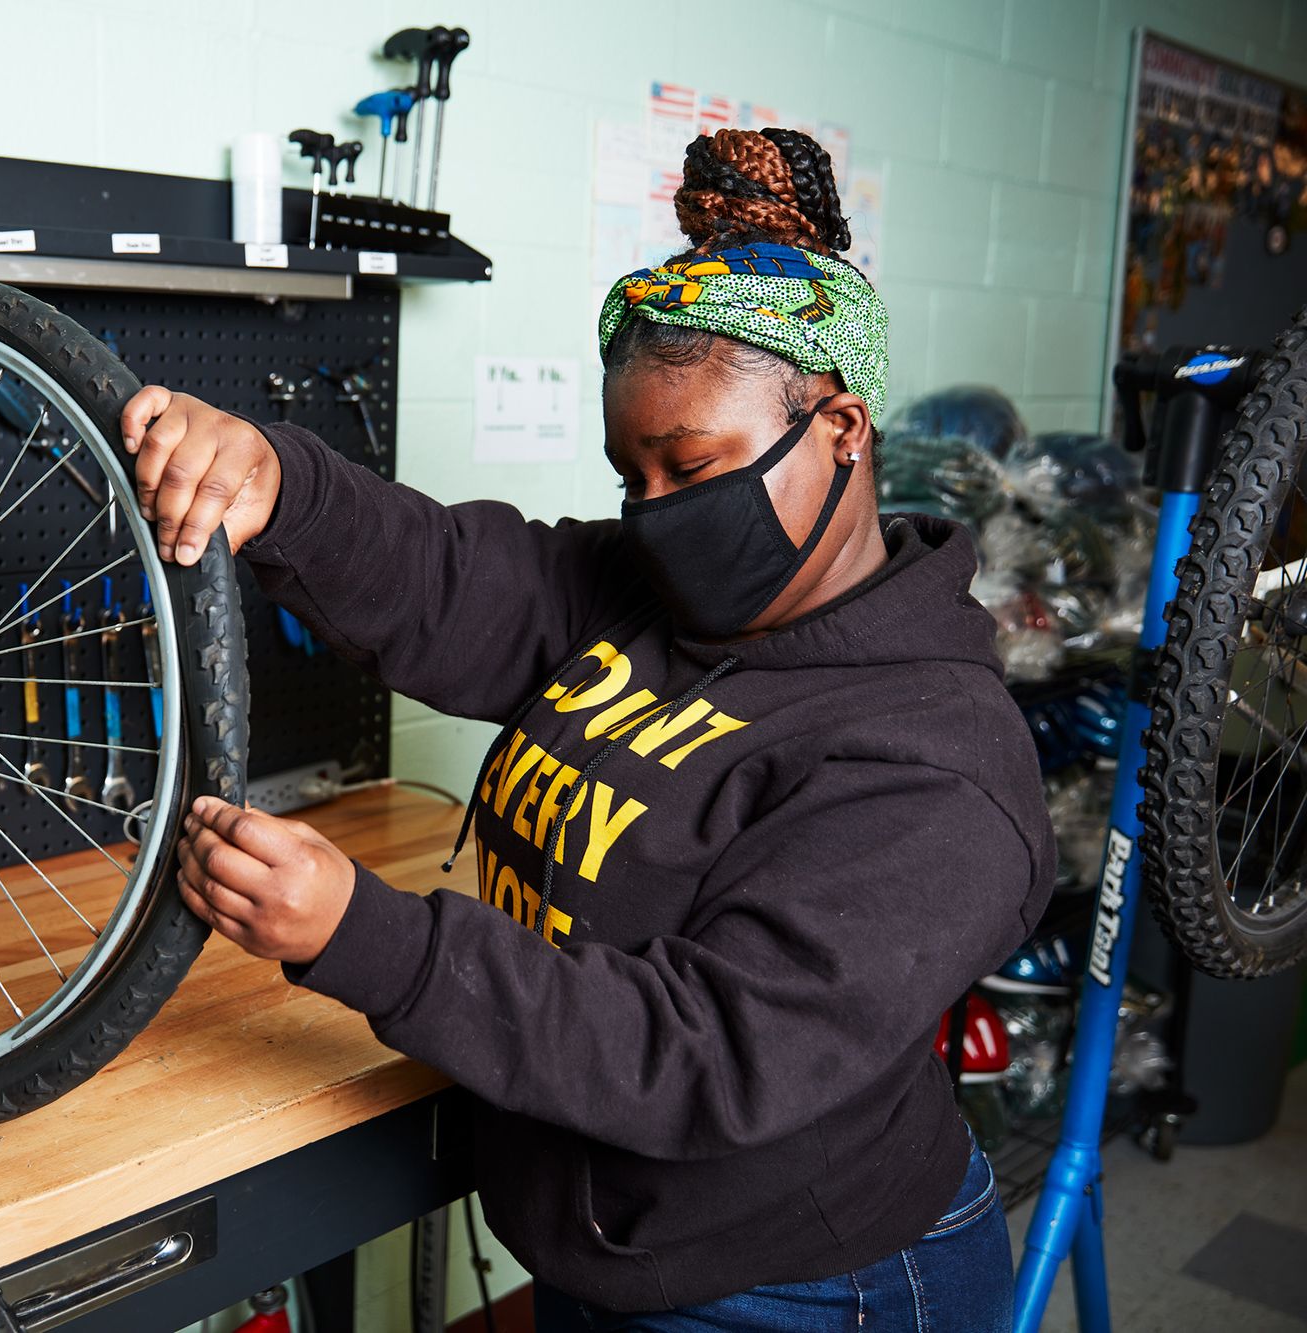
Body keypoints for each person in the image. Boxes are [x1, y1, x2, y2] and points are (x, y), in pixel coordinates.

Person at [121, 126, 1052, 1331]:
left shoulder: (936, 764)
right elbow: (454, 579)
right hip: (601, 1244)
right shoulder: (647, 593)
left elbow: (704, 1051)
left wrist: (371, 938)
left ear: (840, 429)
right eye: (631, 475)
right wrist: (277, 485)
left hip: (805, 1288)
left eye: (694, 465)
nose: (657, 516)